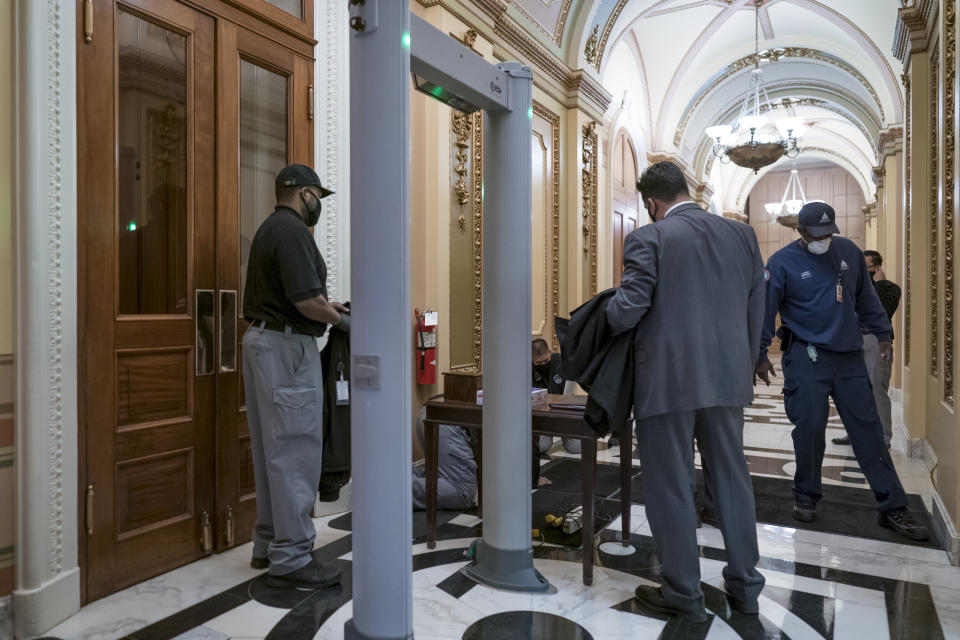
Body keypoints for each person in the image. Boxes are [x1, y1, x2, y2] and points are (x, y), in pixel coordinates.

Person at [607, 161, 766, 622]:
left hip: (667, 381)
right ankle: (746, 588)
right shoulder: (743, 236)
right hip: (727, 380)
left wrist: (605, 311)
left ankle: (683, 592)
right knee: (732, 479)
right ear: (687, 190)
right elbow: (757, 308)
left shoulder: (649, 238)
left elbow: (628, 310)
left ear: (652, 203)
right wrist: (745, 362)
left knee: (671, 484)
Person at [756, 202, 928, 541]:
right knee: (809, 429)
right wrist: (760, 354)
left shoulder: (848, 251)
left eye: (828, 233)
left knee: (868, 432)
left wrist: (883, 334)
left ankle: (893, 506)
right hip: (806, 357)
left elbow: (867, 299)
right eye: (815, 235)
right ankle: (806, 495)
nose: (823, 240)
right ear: (800, 232)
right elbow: (764, 310)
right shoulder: (781, 262)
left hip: (848, 356)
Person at [241, 164, 349, 589]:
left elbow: (299, 298)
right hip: (286, 348)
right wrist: (341, 322)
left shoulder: (270, 228)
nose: (318, 205)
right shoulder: (291, 232)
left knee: (272, 450)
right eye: (317, 197)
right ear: (305, 194)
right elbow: (306, 302)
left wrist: (330, 309)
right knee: (295, 450)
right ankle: (293, 556)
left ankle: (268, 542)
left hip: (264, 342)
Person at [833, 250, 901, 448]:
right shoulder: (854, 287)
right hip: (852, 341)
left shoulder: (890, 288)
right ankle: (854, 433)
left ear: (877, 268)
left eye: (866, 267)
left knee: (877, 390)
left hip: (876, 341)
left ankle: (882, 437)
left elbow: (884, 310)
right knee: (852, 391)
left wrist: (879, 283)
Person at [412, 406, 477, 511]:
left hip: (434, 411)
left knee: (438, 475)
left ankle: (398, 480)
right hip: (447, 419)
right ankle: (396, 491)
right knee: (463, 493)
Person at [532, 338, 582, 454]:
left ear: (549, 352)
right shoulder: (525, 369)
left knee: (576, 448)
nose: (544, 364)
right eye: (539, 363)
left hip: (564, 410)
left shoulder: (562, 361)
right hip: (541, 415)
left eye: (546, 360)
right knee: (541, 448)